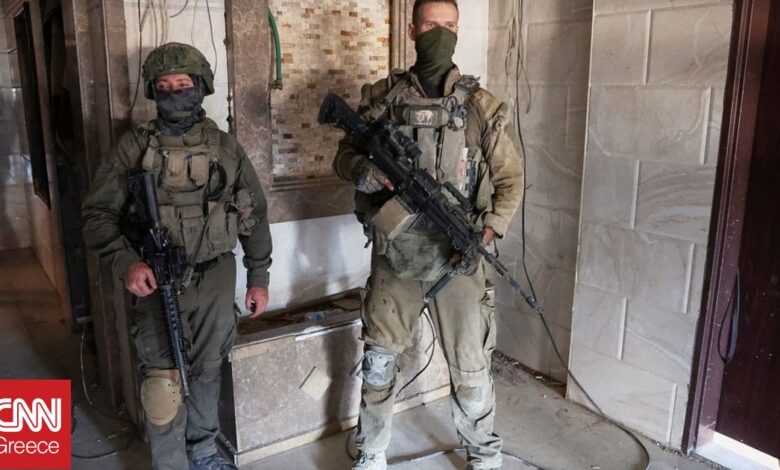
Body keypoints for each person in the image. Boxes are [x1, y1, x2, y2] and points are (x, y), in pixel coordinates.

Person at [333, 1, 525, 469]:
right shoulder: (383, 99)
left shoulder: (481, 107)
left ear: (458, 31)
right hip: (395, 254)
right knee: (380, 361)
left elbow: (511, 180)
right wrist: (362, 171)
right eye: (431, 25)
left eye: (449, 26)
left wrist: (487, 233)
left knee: (471, 365)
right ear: (413, 30)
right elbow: (344, 156)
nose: (440, 33)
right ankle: (372, 451)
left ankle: (483, 454)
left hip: (458, 258)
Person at [82, 42, 272, 470]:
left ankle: (203, 452)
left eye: (183, 84)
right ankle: (170, 465)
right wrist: (126, 263)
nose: (174, 93)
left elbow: (255, 216)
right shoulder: (133, 148)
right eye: (164, 86)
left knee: (207, 370)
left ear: (200, 86)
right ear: (153, 90)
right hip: (156, 279)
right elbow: (96, 215)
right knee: (162, 384)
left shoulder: (226, 148)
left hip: (215, 278)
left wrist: (258, 278)